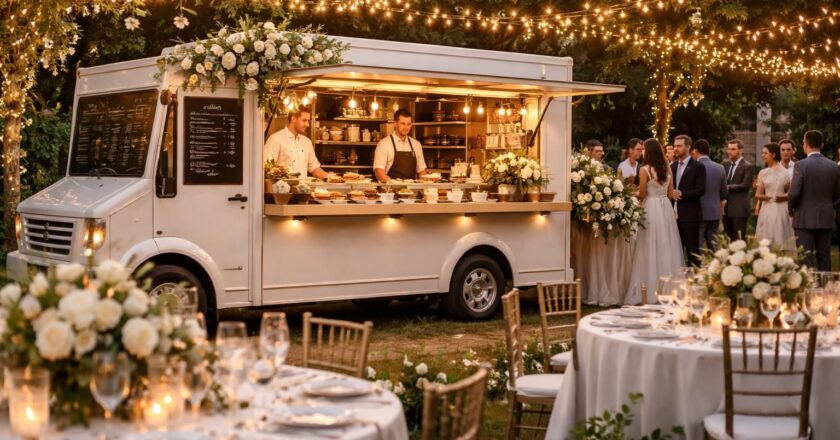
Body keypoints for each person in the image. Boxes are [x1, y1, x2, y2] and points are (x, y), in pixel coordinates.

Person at [625, 138, 684, 304]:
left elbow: (642, 193)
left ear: (648, 151)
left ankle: (648, 289)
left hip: (650, 207)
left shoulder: (644, 170)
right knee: (666, 244)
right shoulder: (668, 169)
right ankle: (668, 289)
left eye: (644, 149)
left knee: (649, 245)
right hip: (665, 206)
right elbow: (672, 193)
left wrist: (630, 194)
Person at [788, 130, 840, 271]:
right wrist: (830, 206)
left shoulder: (800, 165)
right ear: (822, 145)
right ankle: (826, 289)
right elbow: (837, 195)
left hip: (804, 216)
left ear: (805, 144)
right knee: (824, 256)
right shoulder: (834, 166)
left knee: (805, 257)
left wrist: (791, 208)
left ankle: (808, 289)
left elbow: (794, 193)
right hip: (826, 216)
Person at [263, 107, 328, 179]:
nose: (307, 124)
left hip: (302, 189)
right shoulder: (275, 139)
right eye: (304, 120)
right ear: (293, 119)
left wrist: (329, 177)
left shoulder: (307, 142)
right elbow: (267, 168)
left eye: (308, 121)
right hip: (282, 189)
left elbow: (314, 167)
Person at [670, 135, 706, 266]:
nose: (675, 148)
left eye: (679, 146)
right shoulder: (672, 166)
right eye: (674, 146)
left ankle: (694, 280)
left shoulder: (698, 166)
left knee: (692, 251)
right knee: (675, 250)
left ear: (688, 147)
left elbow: (701, 190)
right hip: (672, 215)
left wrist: (681, 193)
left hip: (690, 215)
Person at [755, 142, 796, 251]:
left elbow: (790, 193)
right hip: (767, 209)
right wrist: (768, 197)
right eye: (762, 153)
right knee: (766, 238)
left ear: (773, 154)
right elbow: (758, 194)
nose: (763, 155)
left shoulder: (786, 173)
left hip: (782, 209)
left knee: (781, 236)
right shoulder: (763, 173)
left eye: (765, 153)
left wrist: (782, 196)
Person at [691, 139, 727, 250]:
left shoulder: (693, 167)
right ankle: (715, 266)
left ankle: (701, 266)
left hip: (699, 211)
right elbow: (724, 192)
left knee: (699, 244)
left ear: (696, 151)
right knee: (714, 245)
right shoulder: (720, 167)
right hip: (715, 210)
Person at [373, 109, 427, 182]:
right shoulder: (384, 144)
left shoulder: (416, 144)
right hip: (390, 190)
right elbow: (379, 171)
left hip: (411, 191)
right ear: (395, 123)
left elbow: (421, 170)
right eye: (403, 123)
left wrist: (426, 183)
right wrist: (393, 185)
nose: (406, 127)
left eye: (408, 124)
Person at [723, 139, 755, 241]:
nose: (729, 151)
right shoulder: (725, 164)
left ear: (740, 151)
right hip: (726, 208)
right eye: (728, 149)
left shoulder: (747, 166)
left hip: (739, 208)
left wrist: (728, 187)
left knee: (739, 240)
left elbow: (746, 185)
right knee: (728, 239)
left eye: (733, 149)